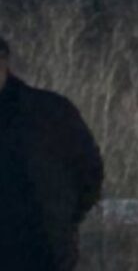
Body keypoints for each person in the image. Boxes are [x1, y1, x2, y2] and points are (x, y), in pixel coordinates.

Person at [0, 35, 105, 271]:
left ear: (4, 62)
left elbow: (89, 172)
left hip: (45, 249)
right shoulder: (51, 110)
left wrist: (62, 217)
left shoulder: (50, 112)